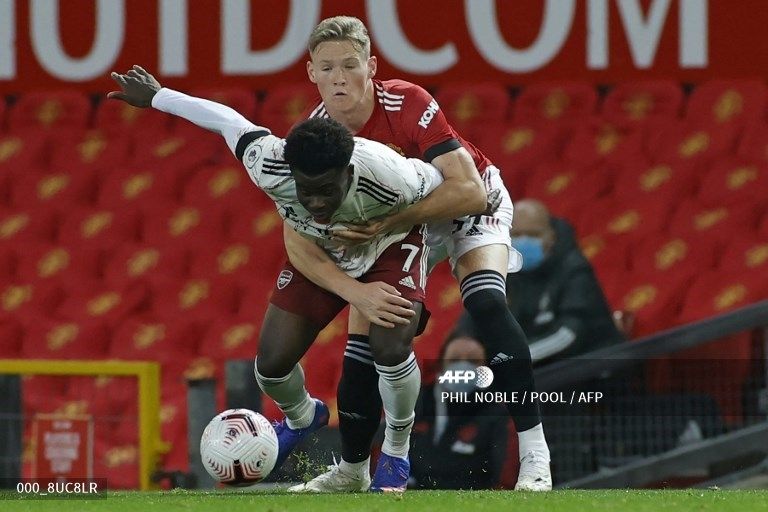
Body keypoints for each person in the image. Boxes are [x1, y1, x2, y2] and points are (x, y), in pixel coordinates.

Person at [107, 66, 477, 492]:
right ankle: (304, 416)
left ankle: (395, 451)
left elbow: (451, 190)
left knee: (390, 343)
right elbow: (227, 121)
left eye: (326, 190)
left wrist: (426, 253)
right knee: (271, 365)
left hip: (388, 241)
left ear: (348, 170)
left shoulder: (390, 175)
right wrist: (158, 97)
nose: (316, 201)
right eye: (307, 191)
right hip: (321, 253)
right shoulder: (270, 163)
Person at [284, 16, 551, 493]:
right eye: (328, 68)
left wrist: (386, 223)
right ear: (311, 73)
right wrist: (354, 289)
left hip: (462, 204)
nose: (339, 77)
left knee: (486, 302)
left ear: (371, 66)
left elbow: (468, 190)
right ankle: (351, 472)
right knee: (365, 348)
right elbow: (296, 235)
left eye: (350, 65)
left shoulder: (406, 101)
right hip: (399, 226)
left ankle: (536, 455)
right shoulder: (313, 136)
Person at [453, 199, 626, 364]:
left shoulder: (573, 269)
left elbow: (569, 334)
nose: (524, 241)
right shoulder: (503, 273)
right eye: (516, 234)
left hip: (591, 372)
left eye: (533, 234)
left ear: (551, 236)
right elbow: (470, 325)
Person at [408, 333, 509, 490]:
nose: (463, 368)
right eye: (454, 360)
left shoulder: (498, 414)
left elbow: (505, 479)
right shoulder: (416, 404)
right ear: (441, 366)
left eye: (472, 361)